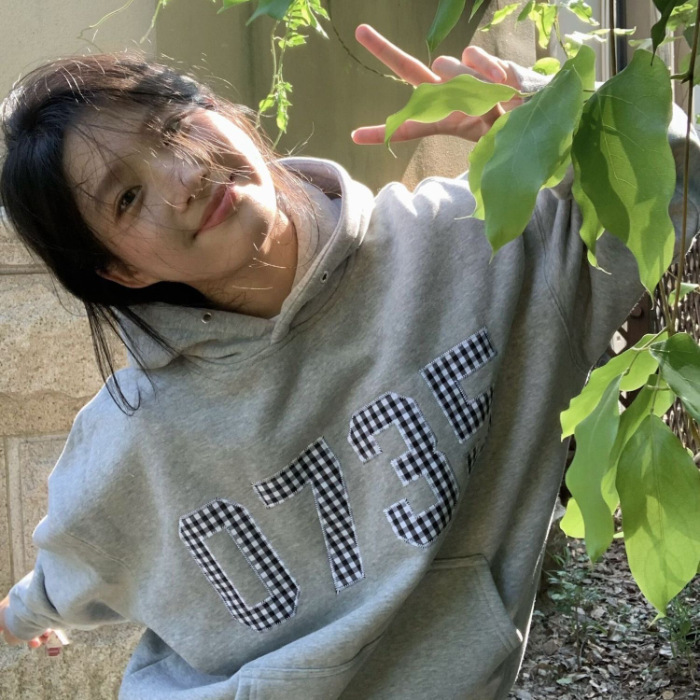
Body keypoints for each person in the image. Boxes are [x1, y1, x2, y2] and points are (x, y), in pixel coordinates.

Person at [0, 23, 697, 700]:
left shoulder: (486, 251)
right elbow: (73, 565)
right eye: (127, 197)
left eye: (173, 127)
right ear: (121, 271)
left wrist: (557, 117)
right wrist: (21, 618)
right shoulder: (133, 431)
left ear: (222, 110)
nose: (185, 175)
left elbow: (679, 186)